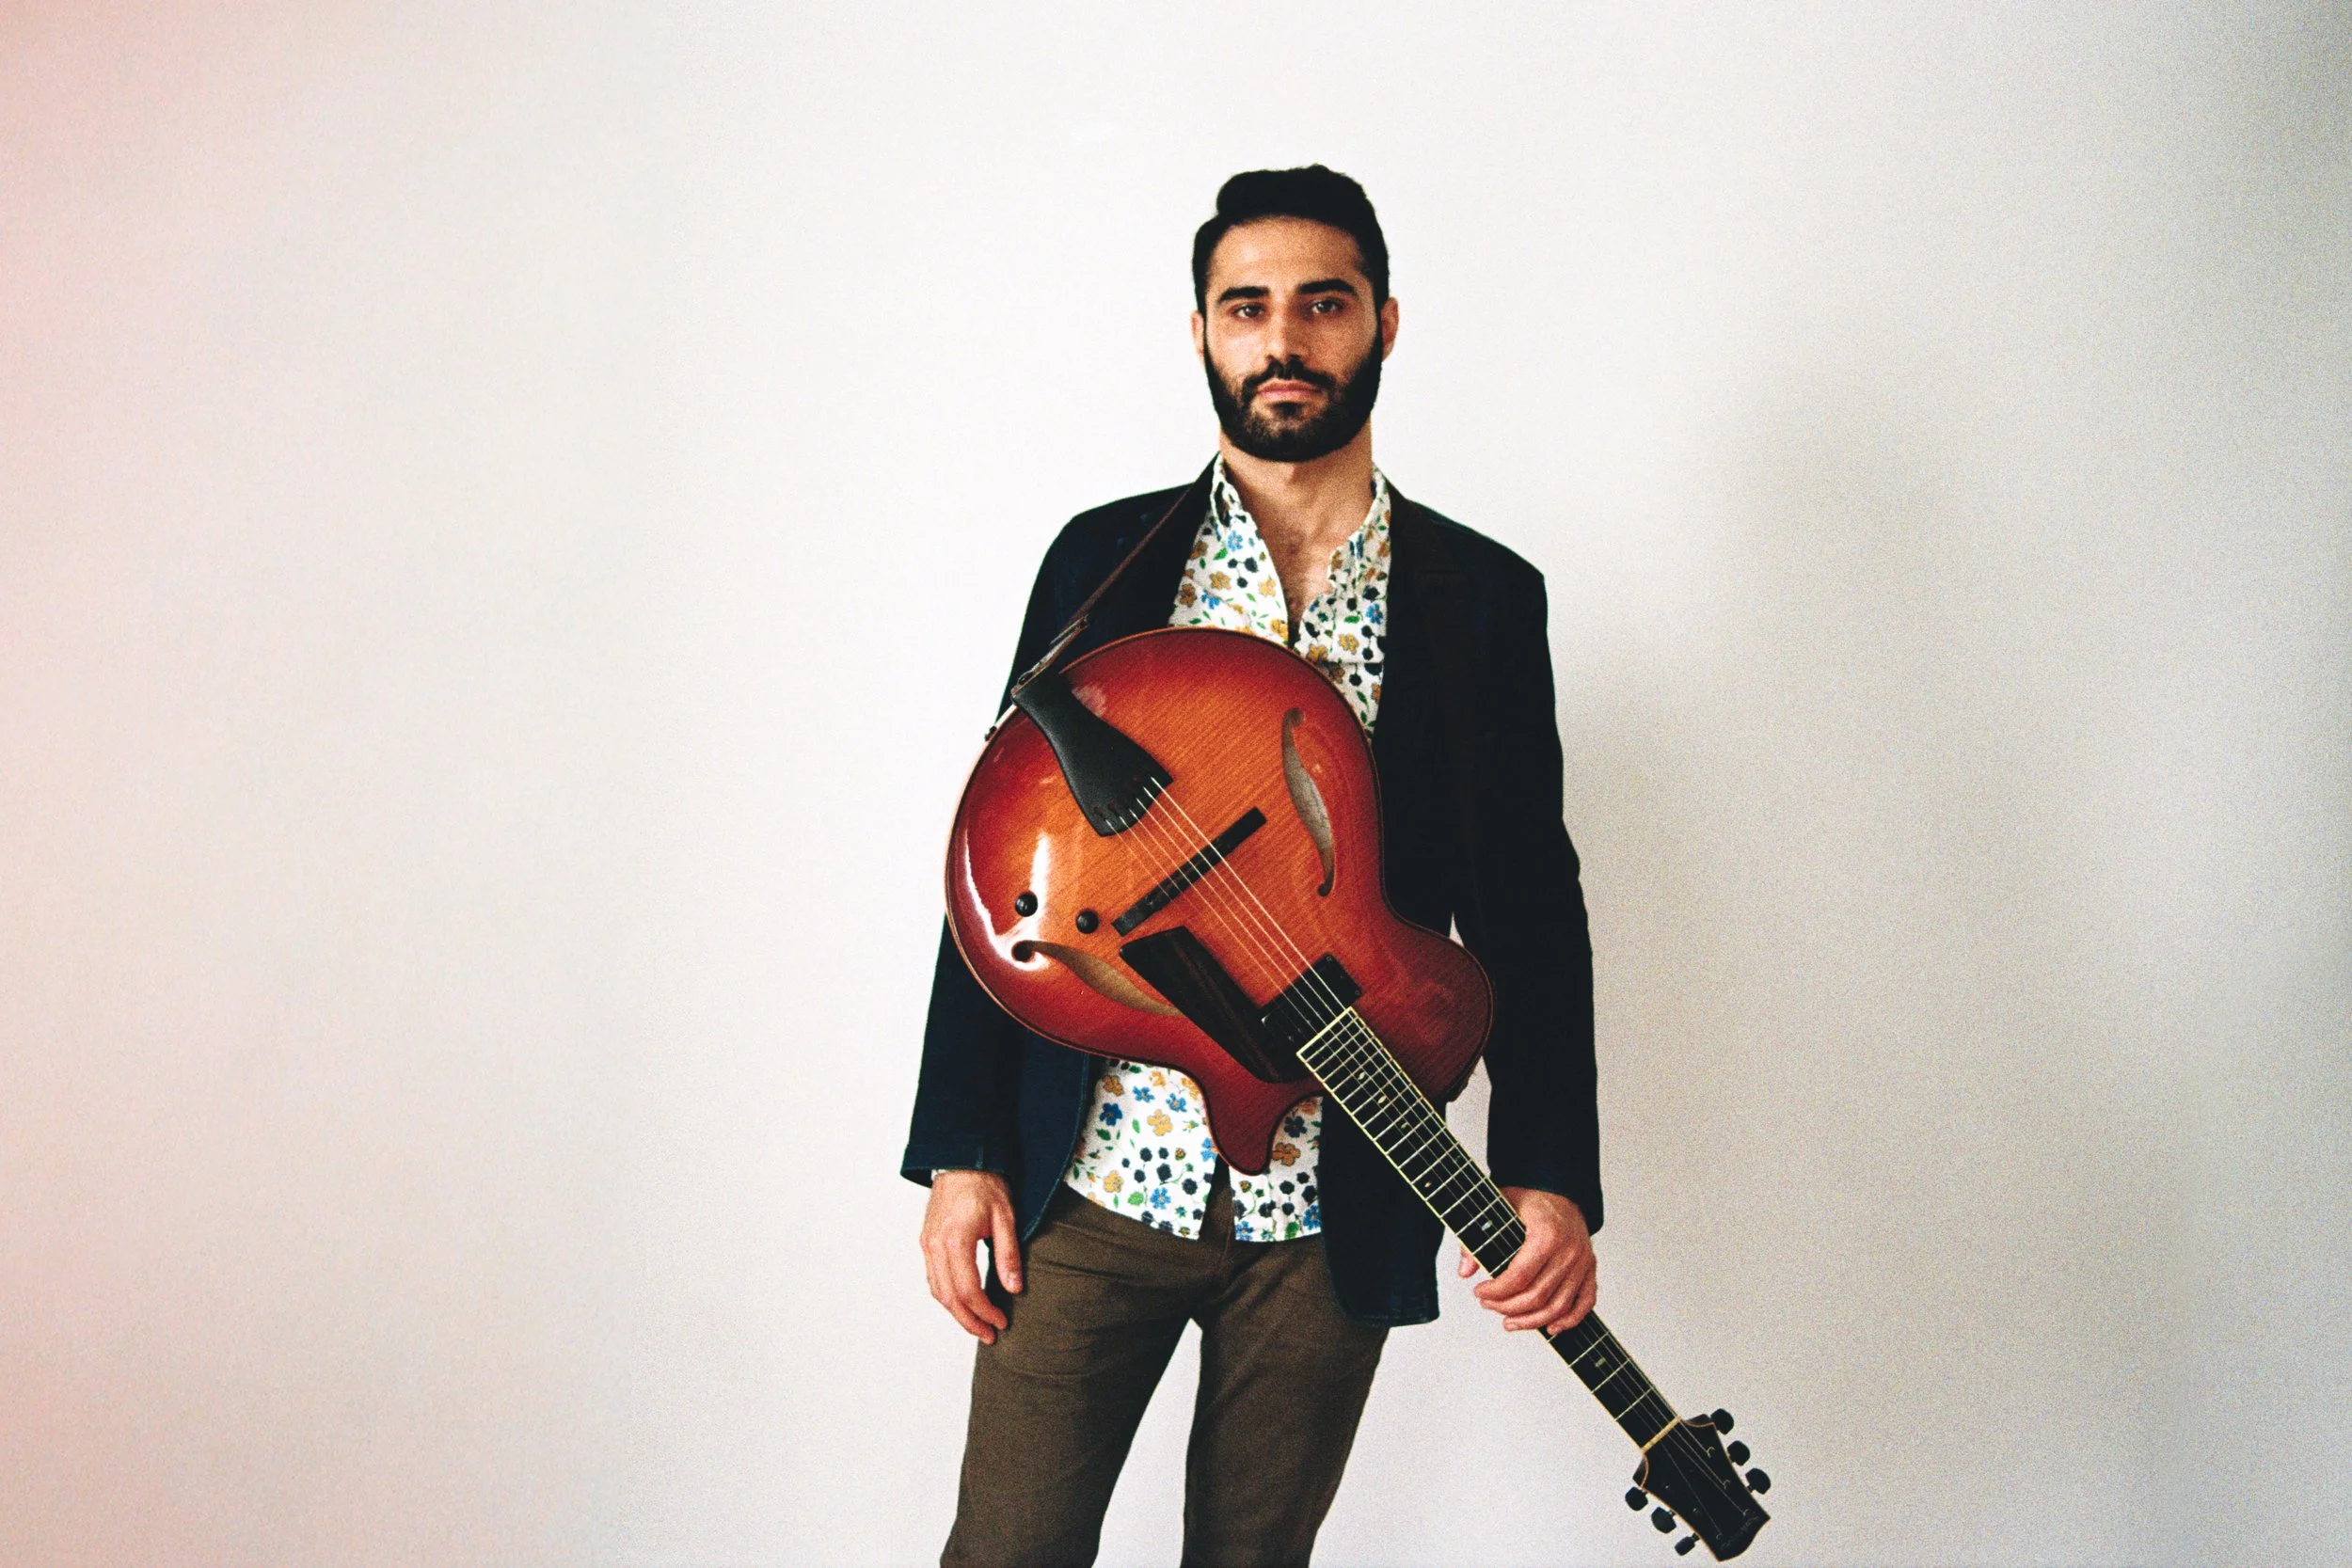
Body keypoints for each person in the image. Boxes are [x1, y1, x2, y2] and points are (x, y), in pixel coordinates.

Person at [903, 166, 1603, 1568]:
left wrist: (1551, 1170)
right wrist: (964, 1149)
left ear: (1384, 323)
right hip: (1096, 1179)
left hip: (1336, 1197)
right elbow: (1003, 854)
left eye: (1323, 305)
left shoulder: (1481, 597)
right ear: (1203, 333)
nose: (1284, 339)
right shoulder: (1105, 560)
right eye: (1248, 307)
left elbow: (1532, 904)